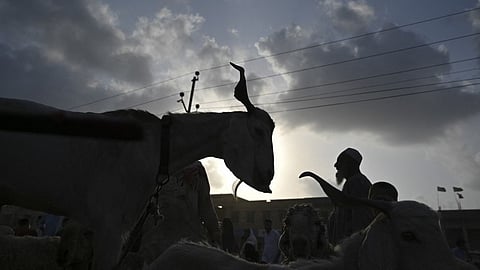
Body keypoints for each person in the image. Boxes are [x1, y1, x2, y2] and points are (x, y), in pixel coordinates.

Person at [327, 148, 374, 245]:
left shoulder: (358, 183)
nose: (336, 165)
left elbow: (360, 221)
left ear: (349, 163)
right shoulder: (351, 183)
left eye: (339, 161)